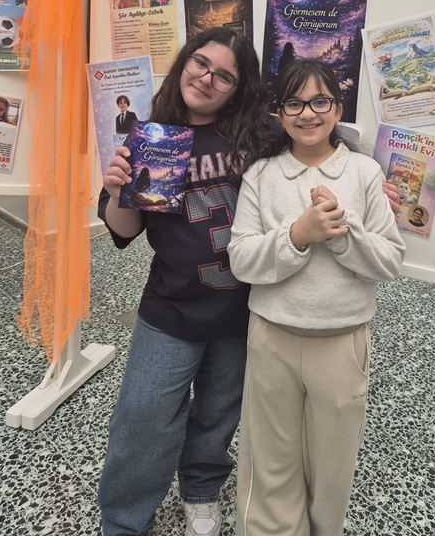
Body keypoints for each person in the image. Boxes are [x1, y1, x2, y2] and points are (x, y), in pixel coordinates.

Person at [97, 28, 282, 536]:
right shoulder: (152, 137)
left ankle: (201, 489)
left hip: (244, 309)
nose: (206, 78)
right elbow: (124, 231)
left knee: (218, 414)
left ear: (238, 90)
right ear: (184, 62)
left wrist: (369, 179)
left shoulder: (260, 136)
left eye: (224, 76)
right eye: (201, 63)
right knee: (143, 418)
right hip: (172, 306)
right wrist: (116, 191)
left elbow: (320, 145)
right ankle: (124, 519)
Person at [227, 59, 406, 536]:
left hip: (342, 341)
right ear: (279, 114)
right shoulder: (261, 175)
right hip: (272, 337)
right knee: (270, 458)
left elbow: (390, 260)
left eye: (320, 101)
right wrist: (298, 235)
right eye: (294, 103)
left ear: (339, 109)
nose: (308, 113)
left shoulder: (365, 172)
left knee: (333, 461)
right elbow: (241, 259)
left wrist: (342, 232)